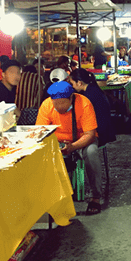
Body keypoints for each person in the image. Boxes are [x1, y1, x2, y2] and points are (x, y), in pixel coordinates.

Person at [36, 81, 102, 214]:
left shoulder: (84, 104)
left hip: (82, 140)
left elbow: (90, 134)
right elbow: (40, 131)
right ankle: (52, 198)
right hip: (57, 142)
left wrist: (73, 147)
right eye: (56, 103)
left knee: (91, 152)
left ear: (71, 98)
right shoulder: (46, 105)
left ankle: (96, 197)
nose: (59, 106)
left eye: (62, 103)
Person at [69, 69, 116, 147]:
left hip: (100, 133)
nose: (72, 86)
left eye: (72, 83)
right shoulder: (92, 89)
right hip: (106, 130)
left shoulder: (89, 96)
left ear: (79, 83)